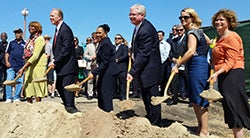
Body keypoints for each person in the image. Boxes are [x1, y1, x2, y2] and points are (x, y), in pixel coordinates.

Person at [208, 9, 250, 138]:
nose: (218, 22)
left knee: (234, 108)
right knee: (230, 108)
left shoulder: (232, 37)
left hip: (233, 74)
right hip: (224, 74)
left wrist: (216, 73)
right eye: (217, 19)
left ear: (229, 22)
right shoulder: (218, 38)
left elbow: (231, 61)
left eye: (222, 20)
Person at [172, 8, 210, 136]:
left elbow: (191, 51)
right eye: (181, 18)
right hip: (197, 64)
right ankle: (200, 126)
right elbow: (209, 42)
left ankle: (204, 130)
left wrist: (178, 63)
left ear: (192, 18)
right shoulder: (199, 31)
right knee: (194, 97)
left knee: (200, 97)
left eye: (186, 17)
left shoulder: (192, 33)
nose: (183, 20)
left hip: (197, 64)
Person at [127, 4, 162, 126]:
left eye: (133, 14)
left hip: (150, 69)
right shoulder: (138, 27)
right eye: (130, 14)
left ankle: (156, 123)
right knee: (146, 96)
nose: (130, 16)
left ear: (142, 15)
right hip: (144, 69)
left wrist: (132, 71)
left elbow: (144, 54)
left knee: (152, 98)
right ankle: (150, 118)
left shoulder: (145, 30)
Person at [49, 8, 78, 113]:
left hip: (67, 66)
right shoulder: (57, 30)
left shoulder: (65, 29)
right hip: (61, 67)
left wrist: (55, 61)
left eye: (53, 16)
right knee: (60, 88)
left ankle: (71, 109)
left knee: (67, 89)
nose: (50, 18)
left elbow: (66, 49)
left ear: (60, 17)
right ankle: (68, 106)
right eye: (50, 16)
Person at [88, 24, 118, 112]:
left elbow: (105, 62)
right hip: (103, 72)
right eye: (96, 33)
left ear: (105, 33)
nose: (97, 34)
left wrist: (93, 72)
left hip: (109, 72)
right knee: (100, 92)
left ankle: (108, 113)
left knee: (106, 94)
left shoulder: (106, 44)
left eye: (100, 33)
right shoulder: (101, 43)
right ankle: (101, 113)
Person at [18, 21, 48, 103]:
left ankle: (38, 108)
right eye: (29, 26)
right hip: (29, 66)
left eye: (33, 26)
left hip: (38, 66)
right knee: (28, 87)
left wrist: (23, 68)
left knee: (37, 87)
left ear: (37, 28)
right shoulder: (29, 40)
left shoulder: (40, 39)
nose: (30, 28)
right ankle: (29, 108)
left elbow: (35, 56)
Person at [167, 24, 188, 105]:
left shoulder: (187, 39)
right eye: (177, 30)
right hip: (175, 64)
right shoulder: (174, 41)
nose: (179, 32)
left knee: (187, 81)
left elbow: (188, 51)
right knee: (174, 82)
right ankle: (175, 99)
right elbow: (171, 51)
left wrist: (182, 60)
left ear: (184, 30)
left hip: (184, 63)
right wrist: (173, 59)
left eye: (181, 30)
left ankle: (191, 100)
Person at [4, 28, 25, 103]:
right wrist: (6, 61)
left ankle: (16, 97)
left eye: (18, 33)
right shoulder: (11, 43)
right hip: (11, 65)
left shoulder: (25, 43)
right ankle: (9, 97)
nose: (17, 34)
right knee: (9, 81)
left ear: (21, 33)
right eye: (16, 33)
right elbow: (7, 53)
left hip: (21, 66)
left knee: (20, 82)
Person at [114, 34, 128, 101]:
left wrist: (118, 59)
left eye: (118, 38)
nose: (117, 39)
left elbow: (125, 55)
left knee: (122, 83)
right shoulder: (113, 47)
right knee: (114, 82)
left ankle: (123, 96)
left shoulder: (124, 47)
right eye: (116, 38)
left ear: (121, 39)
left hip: (122, 68)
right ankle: (115, 94)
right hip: (114, 68)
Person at [84, 32, 98, 100]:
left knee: (98, 80)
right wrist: (91, 57)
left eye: (96, 37)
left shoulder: (101, 45)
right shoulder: (89, 46)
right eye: (93, 37)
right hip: (90, 65)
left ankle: (98, 93)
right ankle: (90, 93)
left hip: (98, 65)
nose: (94, 38)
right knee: (90, 80)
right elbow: (85, 55)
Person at [157, 30, 171, 97]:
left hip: (164, 63)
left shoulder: (166, 44)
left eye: (160, 35)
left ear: (163, 36)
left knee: (163, 79)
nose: (159, 37)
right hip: (156, 64)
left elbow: (166, 54)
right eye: (158, 35)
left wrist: (161, 62)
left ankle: (163, 92)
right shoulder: (154, 44)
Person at [0, 32, 8, 100]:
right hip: (0, 65)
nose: (3, 37)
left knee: (5, 80)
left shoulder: (9, 45)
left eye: (4, 36)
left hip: (6, 65)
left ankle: (5, 96)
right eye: (2, 36)